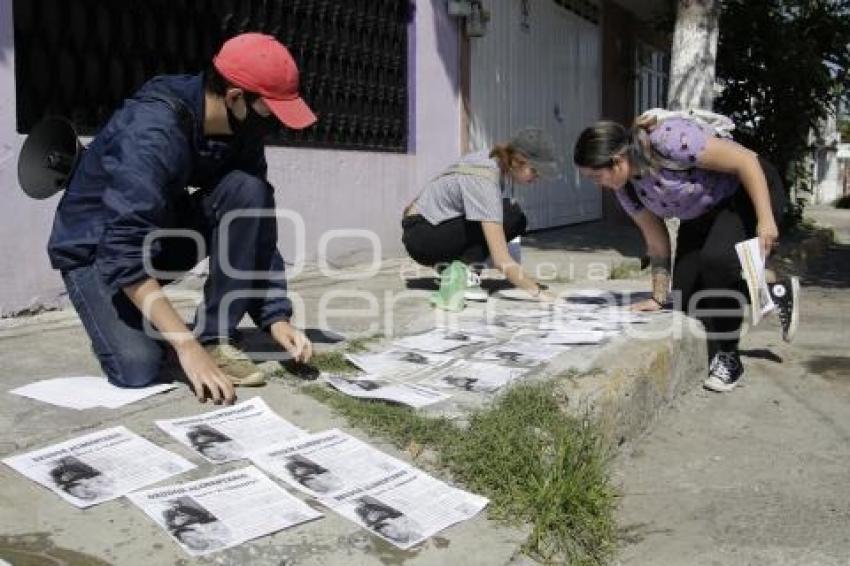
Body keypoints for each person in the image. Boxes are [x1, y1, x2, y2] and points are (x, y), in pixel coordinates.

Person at [46, 33, 315, 405]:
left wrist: (275, 317)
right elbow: (122, 249)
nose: (274, 126)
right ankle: (145, 328)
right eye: (270, 113)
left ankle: (215, 336)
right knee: (138, 368)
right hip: (95, 247)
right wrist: (185, 347)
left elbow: (256, 222)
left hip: (155, 236)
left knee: (249, 189)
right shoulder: (153, 129)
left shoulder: (241, 129)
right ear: (236, 97)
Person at [574, 112, 800, 392]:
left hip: (745, 193)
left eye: (597, 176)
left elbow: (745, 161)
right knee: (687, 300)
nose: (598, 184)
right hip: (699, 214)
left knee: (716, 263)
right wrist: (658, 297)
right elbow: (657, 242)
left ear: (618, 161)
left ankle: (728, 356)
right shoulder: (626, 189)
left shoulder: (669, 140)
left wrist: (765, 218)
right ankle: (776, 291)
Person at [402, 128, 560, 310]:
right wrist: (538, 293)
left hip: (424, 228)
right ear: (518, 161)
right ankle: (466, 273)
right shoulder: (485, 179)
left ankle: (451, 268)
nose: (537, 177)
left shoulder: (489, 159)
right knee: (511, 215)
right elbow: (501, 260)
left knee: (509, 215)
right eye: (535, 171)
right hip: (422, 236)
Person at [354, 496, 422, 545]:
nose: (386, 531)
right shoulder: (396, 516)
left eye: (386, 533)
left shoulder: (371, 521)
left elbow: (359, 509)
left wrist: (363, 509)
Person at [49, 456, 115, 501]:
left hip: (73, 478)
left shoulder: (80, 490)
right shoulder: (89, 473)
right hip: (81, 475)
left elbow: (58, 479)